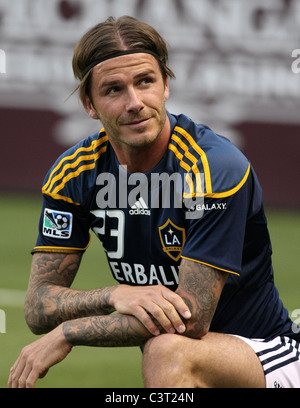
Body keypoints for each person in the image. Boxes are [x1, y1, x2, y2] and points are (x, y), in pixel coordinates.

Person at [8, 15, 300, 389]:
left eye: (145, 81)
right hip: (190, 359)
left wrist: (68, 333)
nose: (135, 103)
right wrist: (116, 293)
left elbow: (191, 317)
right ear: (90, 105)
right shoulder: (74, 173)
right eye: (113, 90)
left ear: (165, 85)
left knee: (166, 350)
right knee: (164, 350)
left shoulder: (213, 168)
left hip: (267, 354)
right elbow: (38, 306)